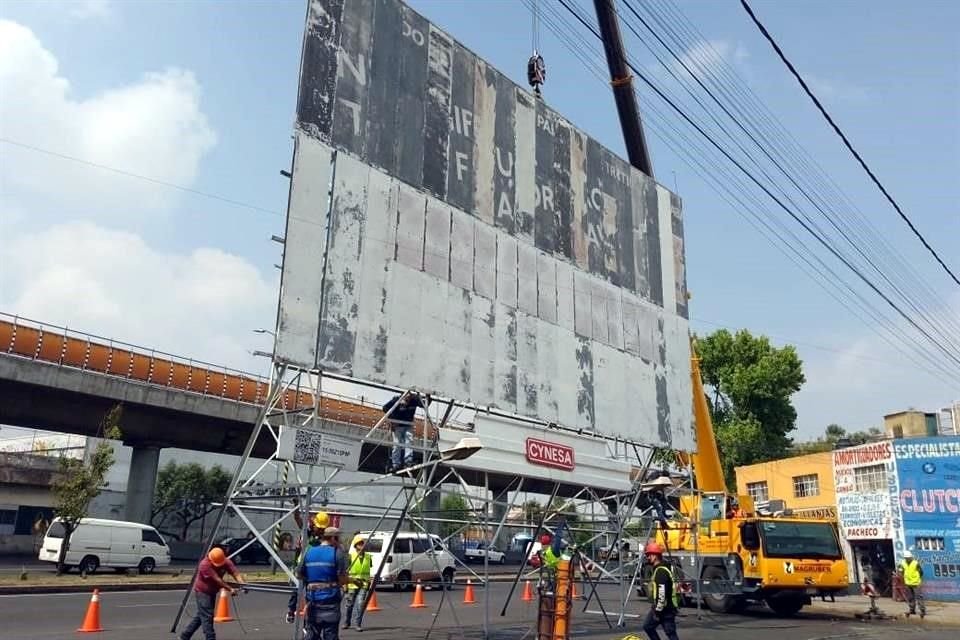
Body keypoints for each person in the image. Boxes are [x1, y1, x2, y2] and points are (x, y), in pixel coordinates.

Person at [301, 526, 354, 640]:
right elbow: (342, 580)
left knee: (312, 634)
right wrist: (351, 580)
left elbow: (299, 574)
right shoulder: (337, 553)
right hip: (330, 602)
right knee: (330, 635)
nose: (340, 541)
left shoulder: (309, 551)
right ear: (333, 538)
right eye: (338, 538)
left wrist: (313, 580)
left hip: (313, 601)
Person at [180, 547, 244, 640]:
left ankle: (185, 636)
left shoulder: (226, 561)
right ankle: (210, 638)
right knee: (207, 616)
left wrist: (242, 583)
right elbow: (217, 580)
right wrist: (230, 589)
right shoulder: (204, 564)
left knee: (202, 615)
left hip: (212, 591)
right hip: (203, 591)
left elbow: (235, 573)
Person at [286, 509, 328, 624]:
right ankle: (291, 610)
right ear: (314, 524)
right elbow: (298, 520)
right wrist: (296, 510)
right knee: (296, 589)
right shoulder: (307, 531)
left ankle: (308, 621)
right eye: (319, 528)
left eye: (322, 529)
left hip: (313, 568)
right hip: (302, 564)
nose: (320, 530)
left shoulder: (323, 537)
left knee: (311, 594)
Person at [381, 393, 429, 472]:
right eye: (406, 398)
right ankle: (396, 464)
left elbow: (424, 404)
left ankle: (408, 461)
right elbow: (385, 408)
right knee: (397, 444)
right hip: (398, 426)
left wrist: (428, 397)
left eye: (409, 398)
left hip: (408, 425)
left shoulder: (414, 400)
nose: (407, 400)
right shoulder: (396, 400)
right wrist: (392, 420)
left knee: (408, 442)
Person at [641, 542, 679, 640]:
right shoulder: (661, 569)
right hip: (664, 607)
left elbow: (662, 593)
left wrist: (657, 611)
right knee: (649, 626)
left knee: (670, 632)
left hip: (665, 609)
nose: (648, 557)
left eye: (649, 555)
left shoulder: (661, 572)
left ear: (656, 556)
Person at [343, 537, 373, 631]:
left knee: (360, 604)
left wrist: (370, 582)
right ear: (356, 546)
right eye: (360, 544)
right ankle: (347, 622)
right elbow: (345, 572)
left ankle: (358, 624)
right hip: (352, 583)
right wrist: (345, 584)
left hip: (363, 584)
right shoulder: (350, 556)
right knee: (349, 604)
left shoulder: (368, 557)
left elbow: (369, 570)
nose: (362, 545)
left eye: (363, 543)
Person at [900, 550, 926, 618]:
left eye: (908, 557)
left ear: (911, 557)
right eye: (906, 558)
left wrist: (917, 579)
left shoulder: (915, 563)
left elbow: (921, 572)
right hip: (908, 583)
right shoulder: (903, 563)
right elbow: (902, 571)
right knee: (910, 597)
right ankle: (912, 610)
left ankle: (922, 610)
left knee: (919, 597)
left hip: (916, 583)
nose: (907, 559)